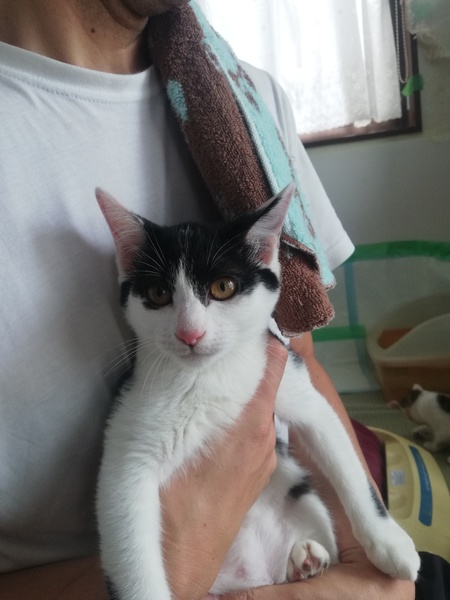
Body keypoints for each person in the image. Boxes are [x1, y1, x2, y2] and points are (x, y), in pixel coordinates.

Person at [0, 1, 424, 598]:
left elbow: (303, 365)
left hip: (316, 557)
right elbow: (130, 476)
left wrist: (370, 551)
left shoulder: (247, 97)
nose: (191, 330)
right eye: (159, 296)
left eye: (222, 290)